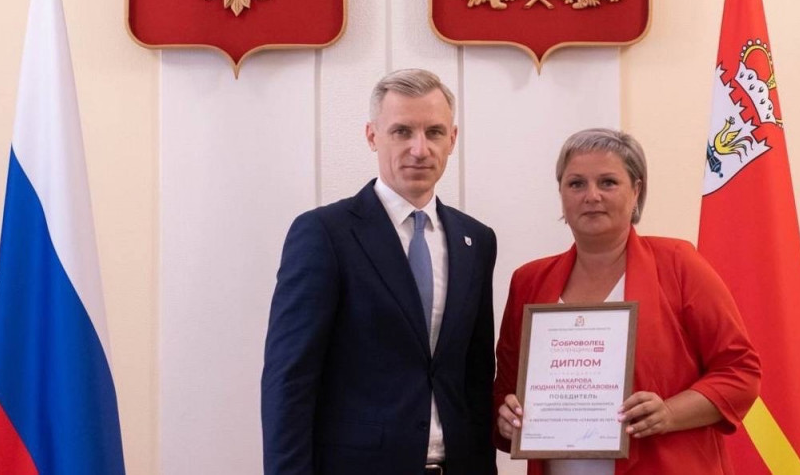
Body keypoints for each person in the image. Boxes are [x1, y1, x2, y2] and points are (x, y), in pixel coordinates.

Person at [262, 69, 498, 475]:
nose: (420, 149)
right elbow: (290, 379)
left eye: (434, 132)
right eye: (402, 132)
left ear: (453, 139)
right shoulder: (325, 234)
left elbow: (475, 376)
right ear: (372, 136)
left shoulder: (475, 240)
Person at [494, 129, 761, 475]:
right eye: (576, 184)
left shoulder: (679, 264)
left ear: (636, 191)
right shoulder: (529, 281)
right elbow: (507, 389)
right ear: (561, 194)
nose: (591, 196)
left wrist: (669, 413)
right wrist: (507, 417)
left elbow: (740, 373)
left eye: (608, 182)